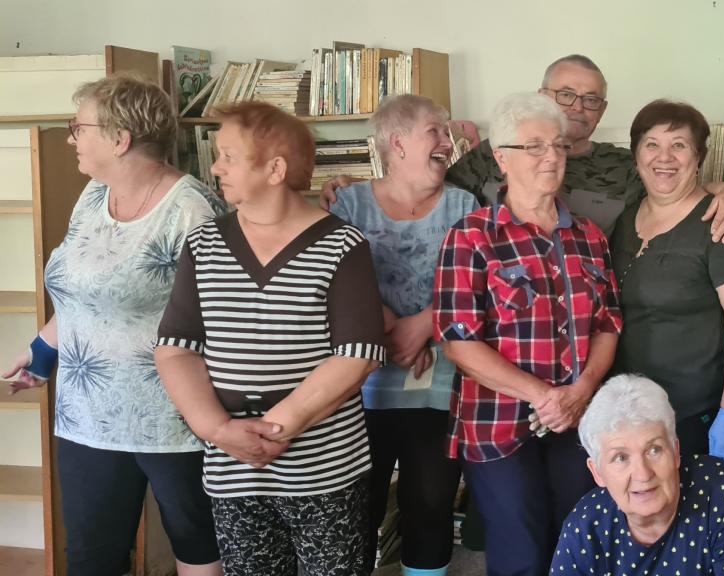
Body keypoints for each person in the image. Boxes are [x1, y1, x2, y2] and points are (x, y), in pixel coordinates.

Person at [3, 75, 225, 576]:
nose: (70, 139)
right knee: (91, 558)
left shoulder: (193, 211)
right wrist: (42, 352)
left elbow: (225, 318)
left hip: (175, 419)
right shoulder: (92, 196)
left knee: (199, 551)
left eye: (78, 127)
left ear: (120, 138)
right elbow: (82, 294)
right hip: (87, 416)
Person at [155, 102, 386, 576]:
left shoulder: (342, 244)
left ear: (275, 169)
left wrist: (275, 431)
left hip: (326, 470)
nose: (216, 168)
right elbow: (176, 348)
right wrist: (218, 430)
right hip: (232, 470)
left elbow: (358, 355)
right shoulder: (203, 244)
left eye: (228, 156)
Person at [433, 92, 623, 576]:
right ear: (502, 158)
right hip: (498, 423)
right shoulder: (471, 235)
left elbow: (608, 324)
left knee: (578, 542)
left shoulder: (589, 237)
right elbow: (458, 341)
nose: (551, 157)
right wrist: (543, 396)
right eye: (534, 146)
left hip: (577, 419)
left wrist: (580, 391)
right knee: (520, 550)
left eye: (558, 145)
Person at [320, 54, 724, 240]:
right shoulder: (496, 151)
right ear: (542, 95)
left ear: (602, 110)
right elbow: (425, 190)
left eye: (591, 99)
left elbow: (675, 187)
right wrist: (357, 188)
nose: (577, 107)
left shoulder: (624, 166)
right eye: (566, 94)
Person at [329, 94, 478, 576]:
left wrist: (424, 324)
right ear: (397, 143)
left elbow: (476, 286)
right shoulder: (348, 203)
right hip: (358, 386)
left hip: (440, 384)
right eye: (435, 131)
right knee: (357, 511)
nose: (447, 141)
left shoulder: (463, 205)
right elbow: (329, 281)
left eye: (446, 133)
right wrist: (392, 326)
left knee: (430, 506)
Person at [609, 99, 724, 466]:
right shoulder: (626, 219)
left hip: (691, 415)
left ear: (698, 157)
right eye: (652, 144)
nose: (664, 157)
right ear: (636, 156)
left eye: (679, 145)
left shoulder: (720, 224)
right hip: (626, 412)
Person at [551, 374, 724, 575]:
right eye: (620, 457)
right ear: (597, 472)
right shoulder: (584, 527)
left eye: (654, 450)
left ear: (675, 453)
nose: (643, 474)